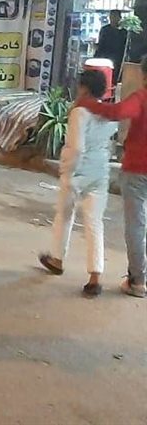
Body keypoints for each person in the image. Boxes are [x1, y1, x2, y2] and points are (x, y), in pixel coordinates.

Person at [39, 70, 118, 297]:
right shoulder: (109, 114)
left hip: (78, 172)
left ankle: (57, 259)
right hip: (100, 171)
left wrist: (68, 170)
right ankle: (95, 275)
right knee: (94, 222)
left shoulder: (79, 112)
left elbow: (77, 147)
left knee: (64, 215)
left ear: (84, 88)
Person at [75, 57, 147, 298]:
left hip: (138, 170)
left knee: (136, 226)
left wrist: (88, 104)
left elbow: (119, 112)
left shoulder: (141, 97)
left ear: (144, 75)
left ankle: (137, 280)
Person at [95, 10, 128, 80]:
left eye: (115, 16)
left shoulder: (124, 32)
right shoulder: (105, 30)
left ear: (120, 18)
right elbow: (101, 45)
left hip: (118, 60)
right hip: (105, 59)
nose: (113, 19)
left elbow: (125, 47)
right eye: (111, 16)